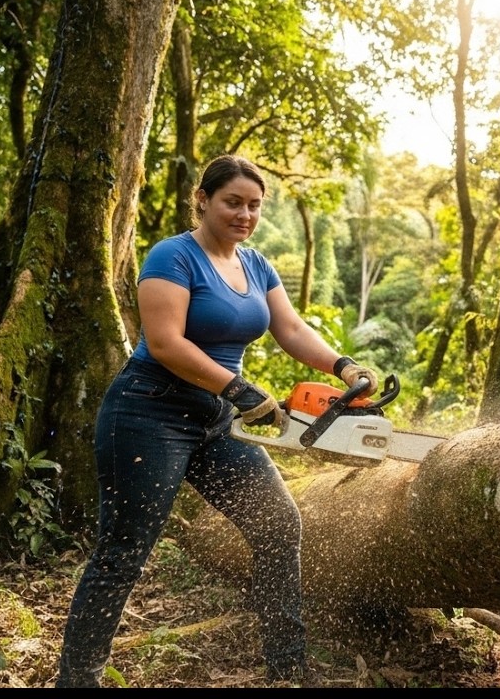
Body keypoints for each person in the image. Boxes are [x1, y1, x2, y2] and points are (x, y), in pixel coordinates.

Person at [56, 154, 378, 688]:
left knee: (278, 524)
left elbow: (291, 329)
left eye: (254, 205)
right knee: (124, 551)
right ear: (202, 200)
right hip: (148, 411)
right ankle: (77, 679)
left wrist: (344, 367)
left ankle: (287, 670)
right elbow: (165, 343)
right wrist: (239, 388)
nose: (244, 214)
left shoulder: (255, 265)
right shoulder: (173, 256)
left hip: (215, 421)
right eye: (233, 202)